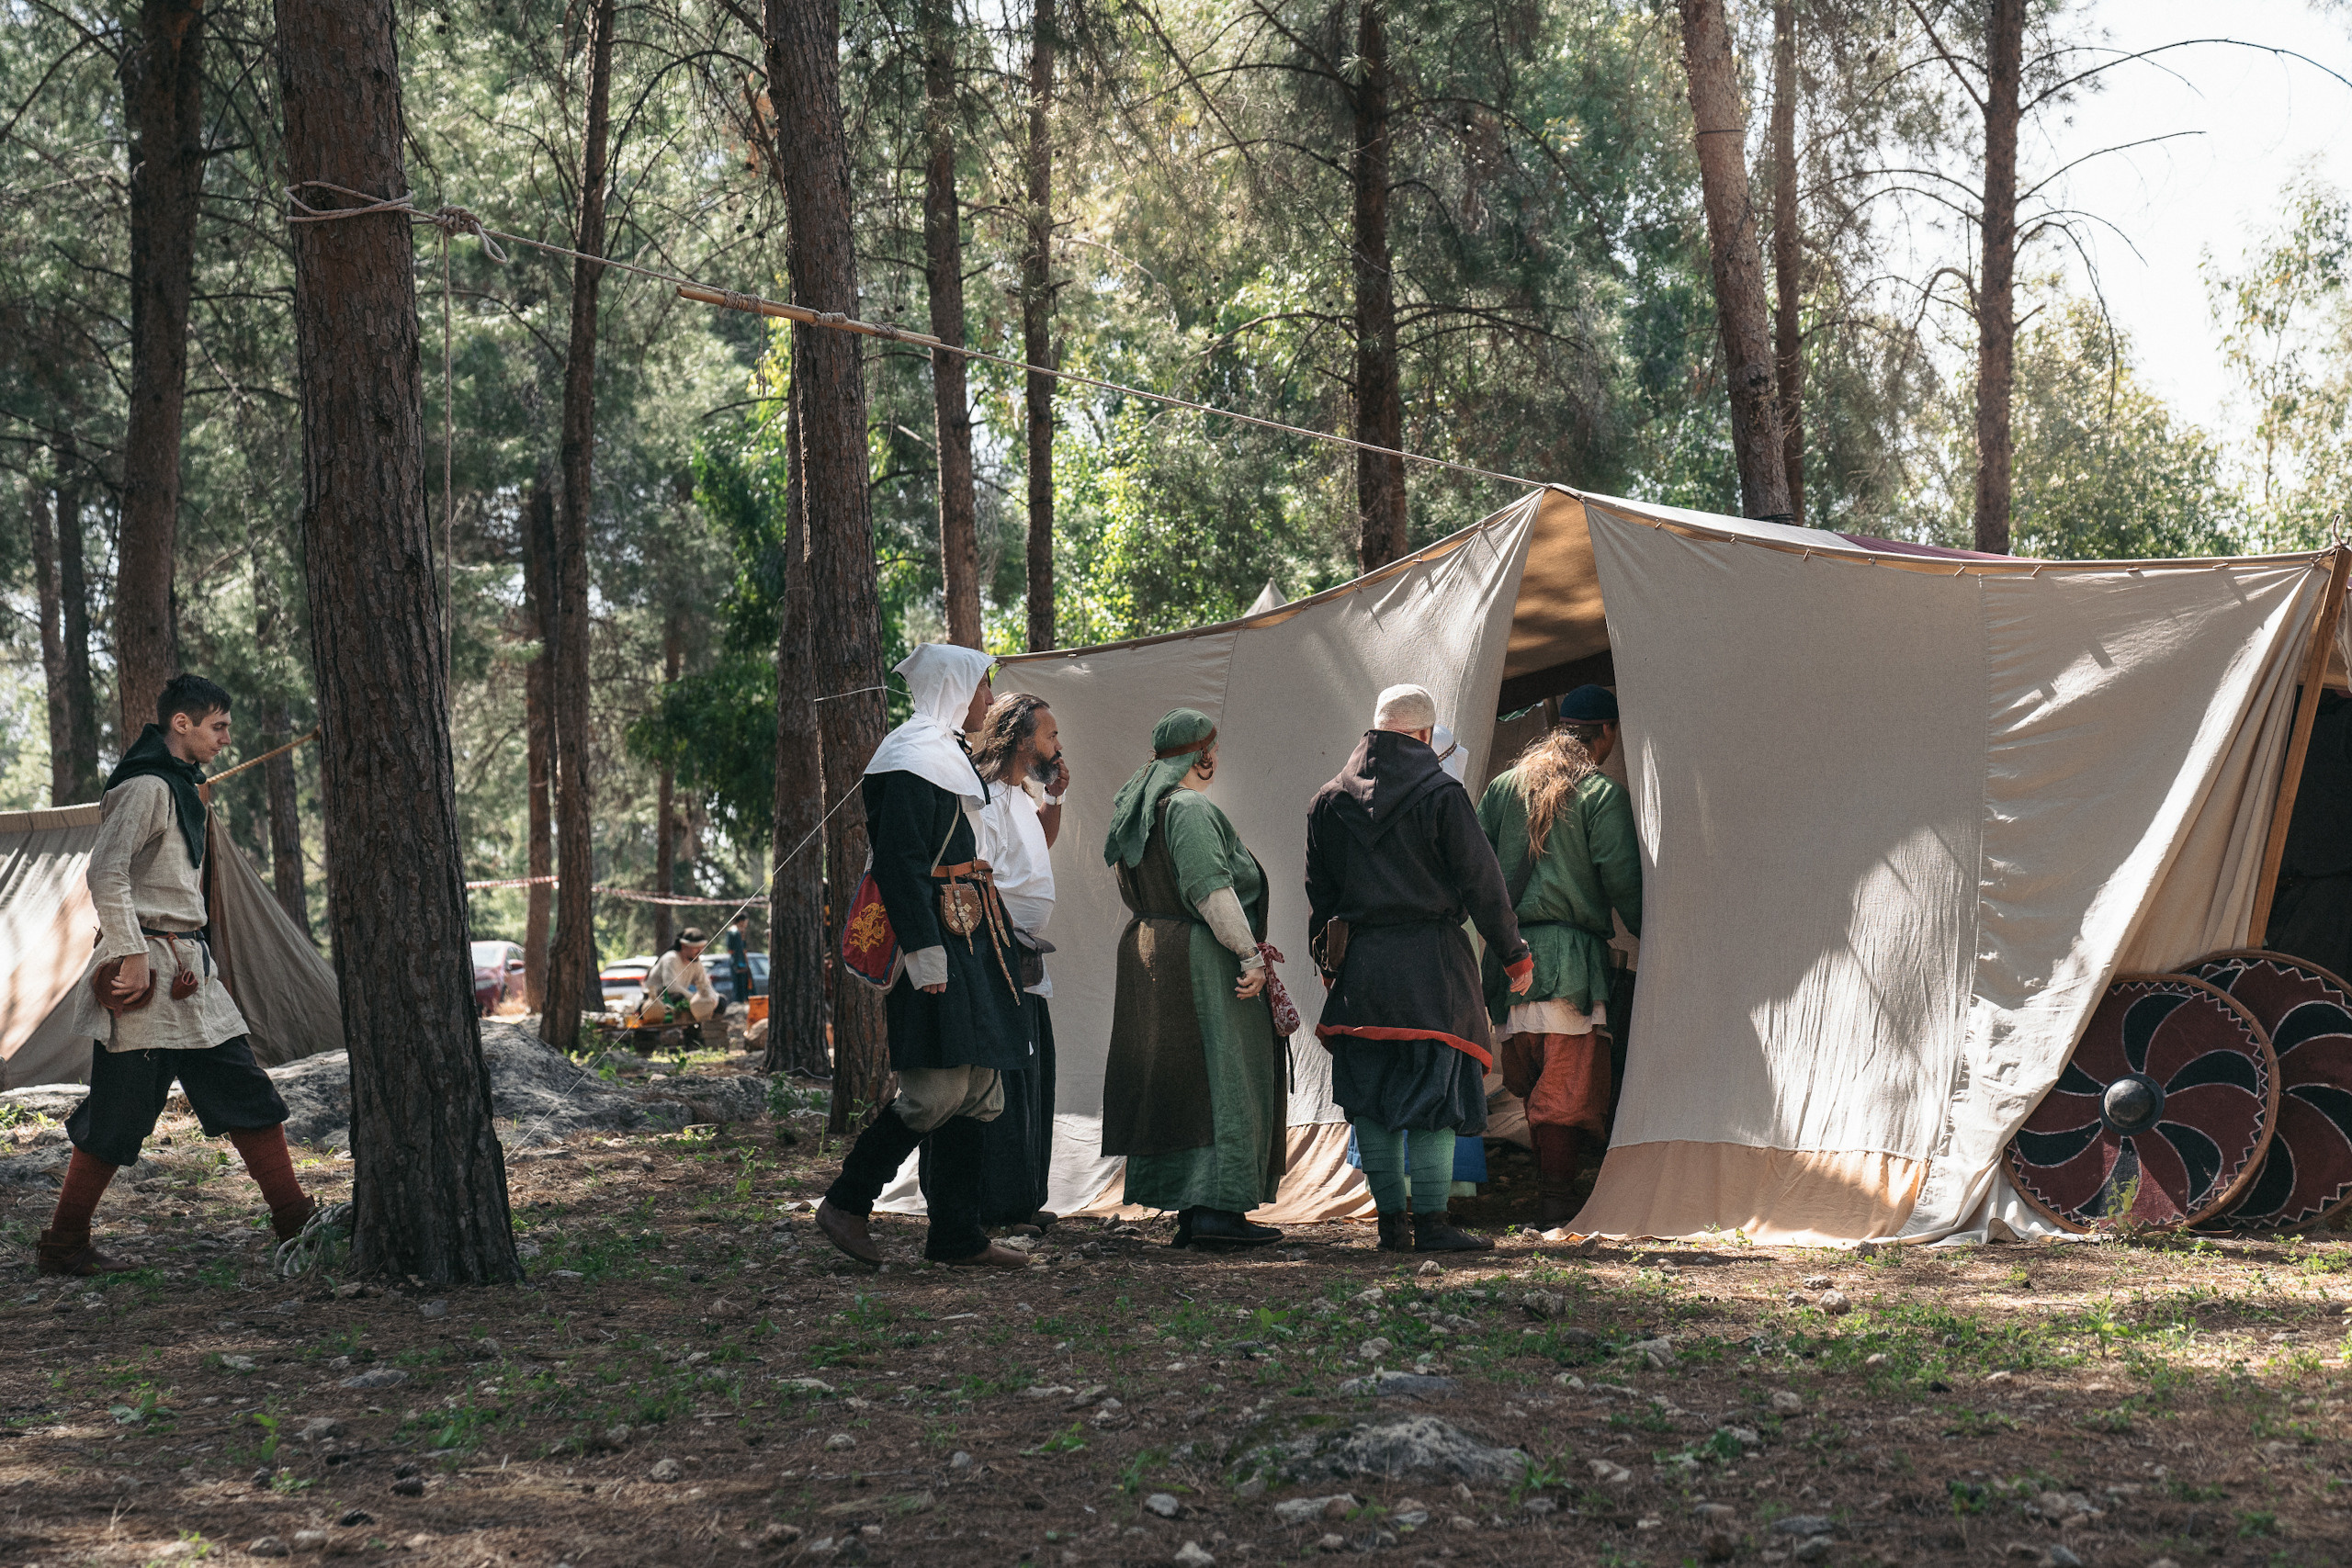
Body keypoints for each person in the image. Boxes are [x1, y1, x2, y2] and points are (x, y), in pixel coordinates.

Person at [38, 674, 318, 1277]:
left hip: (188, 974)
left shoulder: (178, 786)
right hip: (146, 980)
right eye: (217, 727)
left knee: (248, 1092)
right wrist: (133, 953)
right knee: (115, 1116)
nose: (225, 739)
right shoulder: (143, 785)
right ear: (182, 724)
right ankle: (63, 1243)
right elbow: (106, 871)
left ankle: (297, 1223)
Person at [816, 644, 1030, 1270]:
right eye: (983, 688)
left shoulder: (944, 754)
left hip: (972, 934)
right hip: (937, 939)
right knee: (933, 1092)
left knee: (978, 1086)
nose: (989, 702)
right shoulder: (909, 759)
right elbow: (902, 865)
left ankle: (956, 1234)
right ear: (956, 687)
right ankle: (846, 1202)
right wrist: (925, 953)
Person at [1308, 683, 1532, 1252]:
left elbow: (1321, 896)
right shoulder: (1442, 793)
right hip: (1433, 969)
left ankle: (1389, 1227)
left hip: (1363, 972)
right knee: (1434, 1096)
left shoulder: (1328, 801)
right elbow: (1483, 881)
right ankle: (1431, 1225)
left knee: (1372, 1098)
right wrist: (1513, 953)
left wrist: (1328, 960)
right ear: (1425, 734)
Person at [1100, 708, 1290, 1247]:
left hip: (1153, 954)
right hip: (1203, 959)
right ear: (1203, 755)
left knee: (1180, 1079)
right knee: (1222, 1078)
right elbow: (1211, 890)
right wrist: (1249, 955)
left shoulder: (1140, 810)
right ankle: (1216, 1213)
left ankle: (1194, 1210)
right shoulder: (1187, 808)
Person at [1477, 683, 1644, 1227]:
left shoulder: (1502, 789)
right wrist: (1657, 939)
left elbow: (1473, 874)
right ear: (1606, 734)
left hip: (1508, 962)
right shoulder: (1601, 795)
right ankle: (1554, 1206)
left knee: (1534, 1083)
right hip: (1570, 964)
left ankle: (1548, 1198)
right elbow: (1623, 882)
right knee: (1565, 1091)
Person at [951, 690, 1069, 1230]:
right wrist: (1003, 940)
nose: (1056, 745)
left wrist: (1055, 803)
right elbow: (977, 879)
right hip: (997, 956)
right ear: (1022, 740)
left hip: (1022, 959)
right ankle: (999, 1206)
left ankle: (1023, 1200)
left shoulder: (1020, 793)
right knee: (1005, 1084)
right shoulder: (984, 798)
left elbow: (1038, 848)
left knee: (1032, 1080)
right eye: (1049, 735)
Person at [641, 927, 723, 1023]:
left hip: (683, 997)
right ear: (684, 946)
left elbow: (705, 984)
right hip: (658, 1002)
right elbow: (670, 987)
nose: (699, 951)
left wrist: (713, 998)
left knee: (721, 1002)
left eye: (702, 948)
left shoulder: (695, 962)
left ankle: (710, 1030)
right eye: (696, 948)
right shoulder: (671, 958)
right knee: (678, 998)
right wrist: (693, 998)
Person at [725, 916, 752, 1007]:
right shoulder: (733, 932)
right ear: (741, 921)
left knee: (744, 988)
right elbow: (730, 949)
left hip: (741, 963)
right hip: (737, 964)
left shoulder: (739, 933)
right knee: (738, 988)